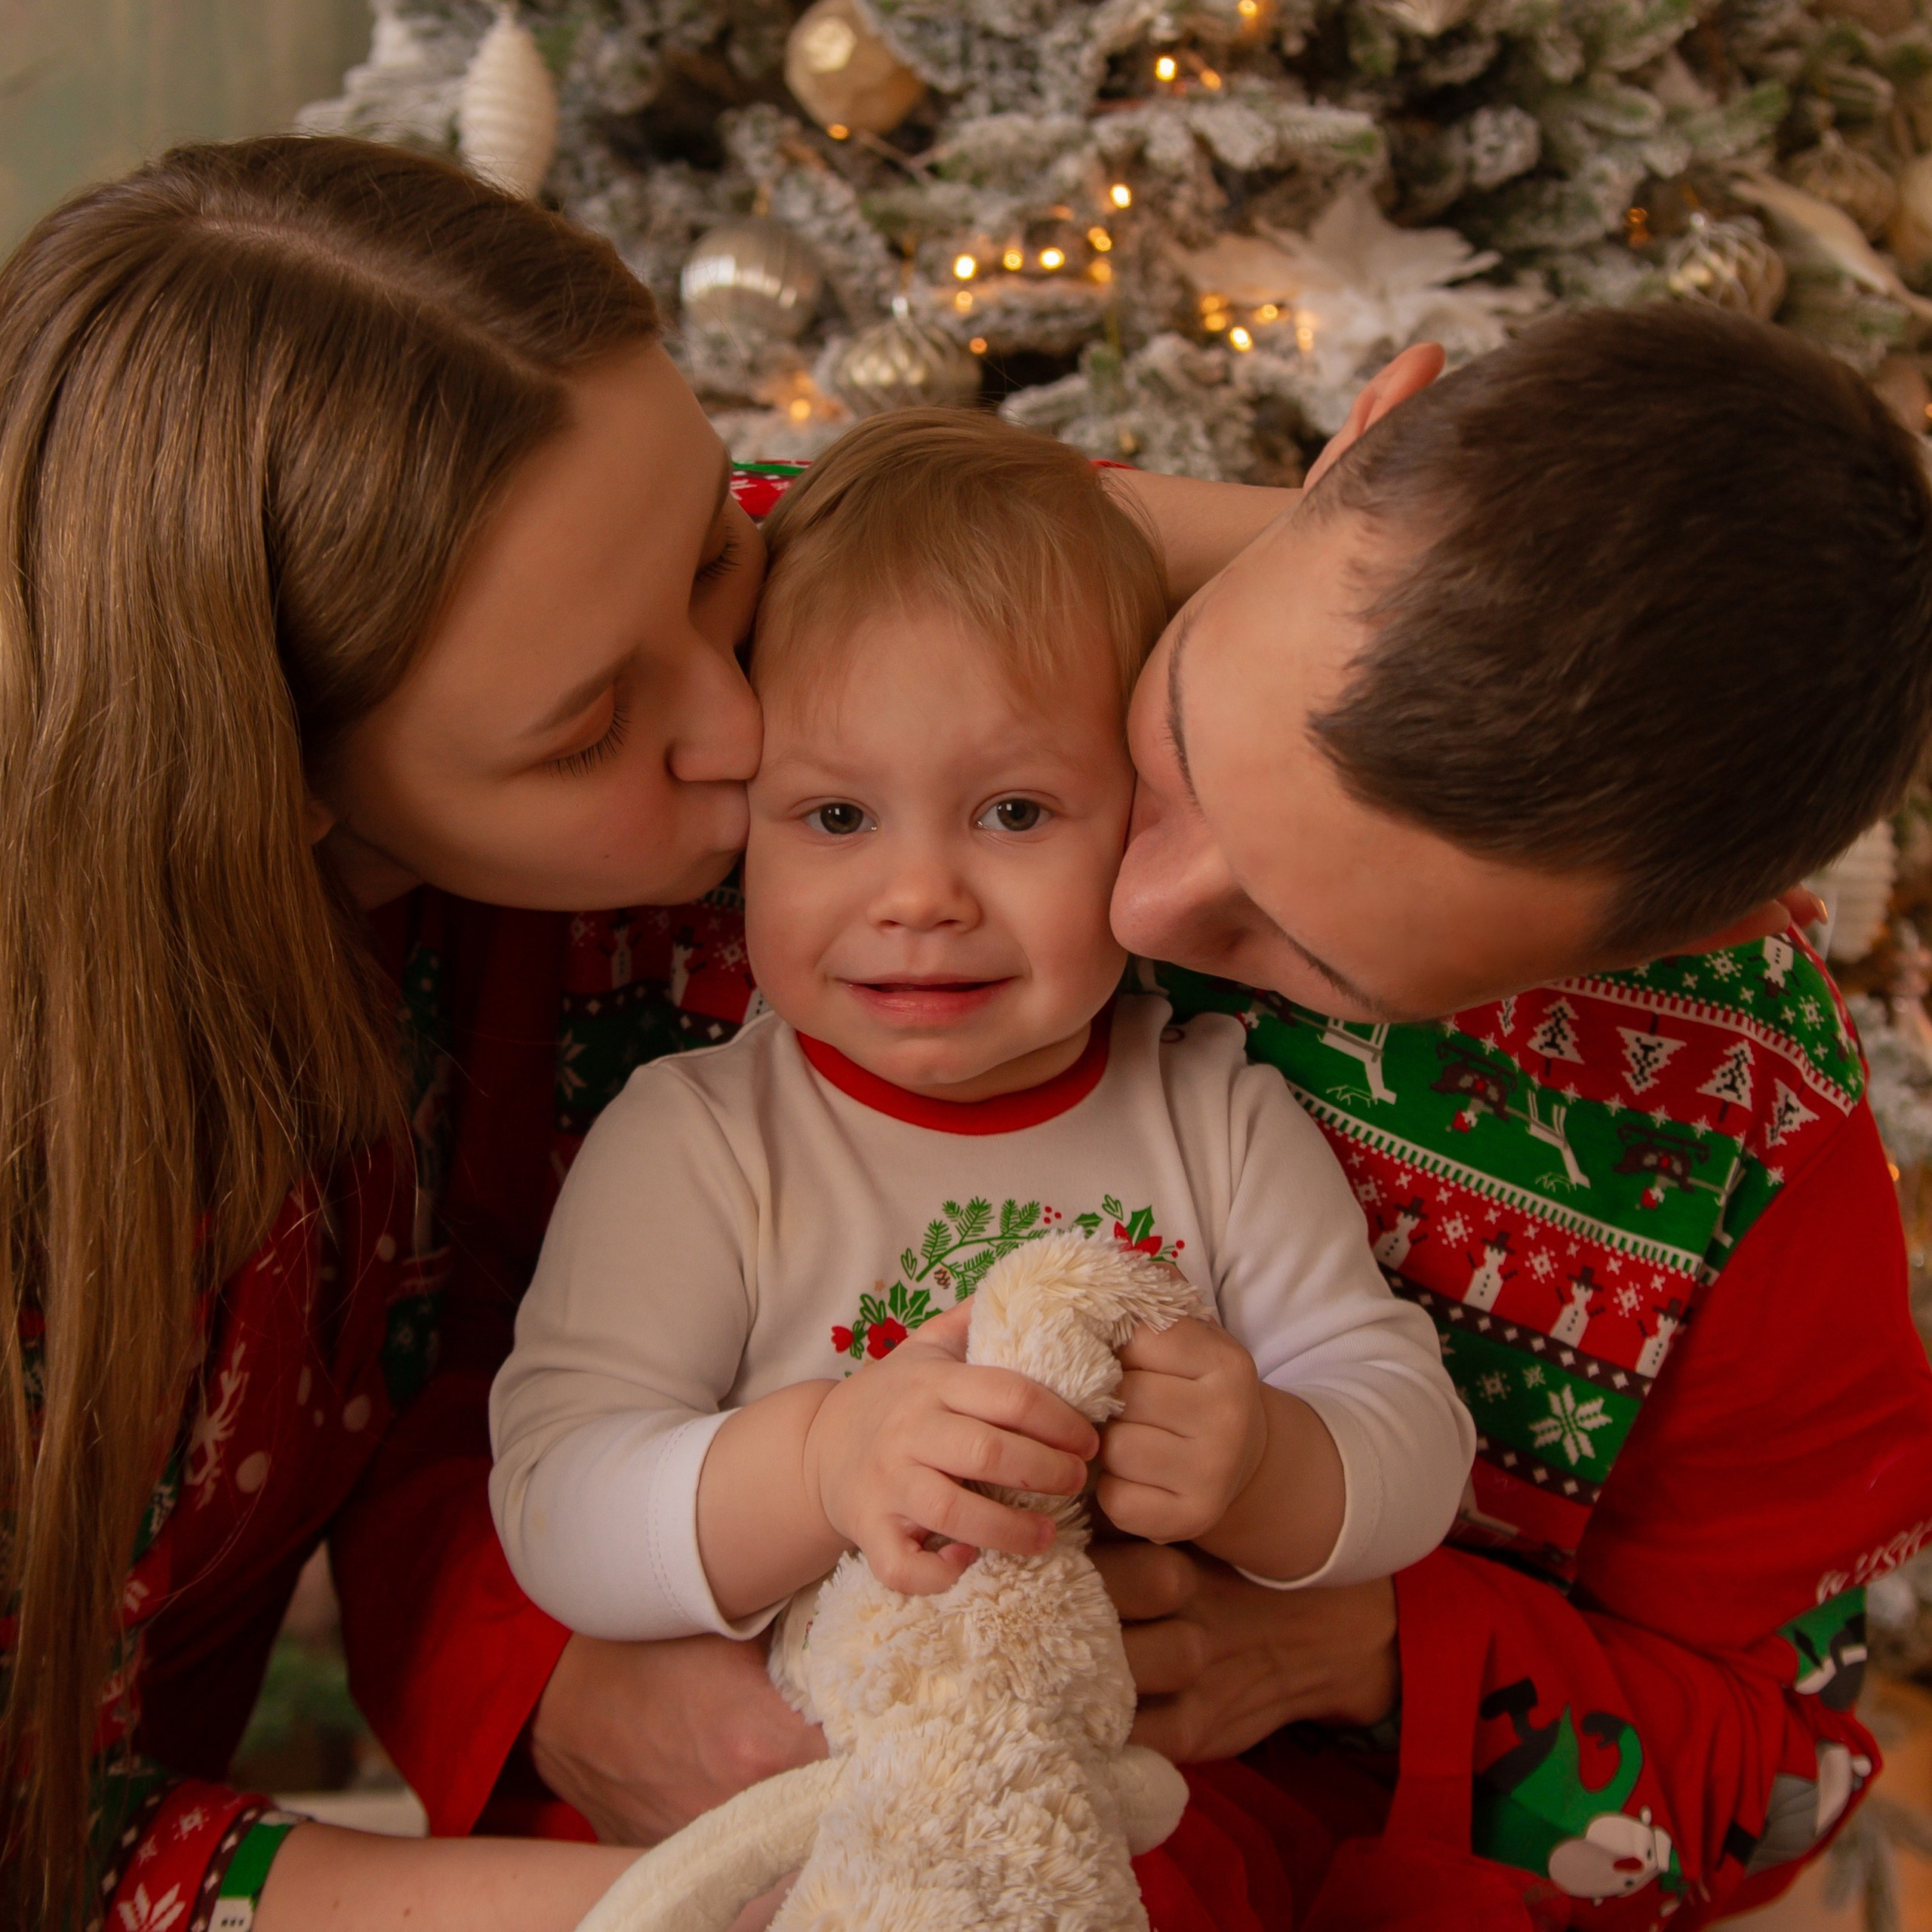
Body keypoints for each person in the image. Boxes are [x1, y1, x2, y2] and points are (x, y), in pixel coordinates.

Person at [0, 134, 1283, 1932]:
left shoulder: (514, 599)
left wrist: (1370, 556)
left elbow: (983, 530)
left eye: (702, 557)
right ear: (272, 782)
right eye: (592, 720)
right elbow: (58, 1854)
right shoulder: (59, 1189)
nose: (742, 720)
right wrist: (717, 1892)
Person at [1100, 303, 1932, 1924]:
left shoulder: (1747, 1145)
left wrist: (1380, 1655)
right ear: (1358, 428)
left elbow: (1768, 1782)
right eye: (1176, 742)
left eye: (1303, 953)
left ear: (1659, 950)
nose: (1132, 909)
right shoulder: (924, 617)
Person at [486, 412, 1472, 1673]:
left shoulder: (1214, 1123)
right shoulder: (704, 1142)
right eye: (837, 814)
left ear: (1145, 817)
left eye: (1014, 811)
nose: (921, 897)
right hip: (792, 1786)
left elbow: (1413, 1447)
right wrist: (816, 1464)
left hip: (1106, 1783)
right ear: (751, 835)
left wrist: (1270, 1462)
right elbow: (556, 1502)